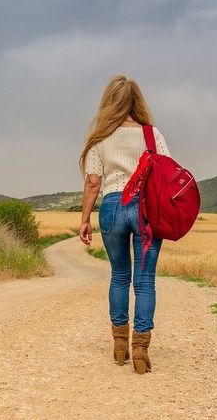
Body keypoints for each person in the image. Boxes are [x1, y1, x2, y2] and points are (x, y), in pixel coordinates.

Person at [77, 74, 171, 375]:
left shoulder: (100, 139)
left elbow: (93, 183)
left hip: (113, 207)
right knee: (145, 281)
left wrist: (85, 219)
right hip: (145, 209)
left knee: (119, 276)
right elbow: (168, 173)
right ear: (137, 101)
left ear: (109, 102)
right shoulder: (151, 135)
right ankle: (140, 348)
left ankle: (120, 345)